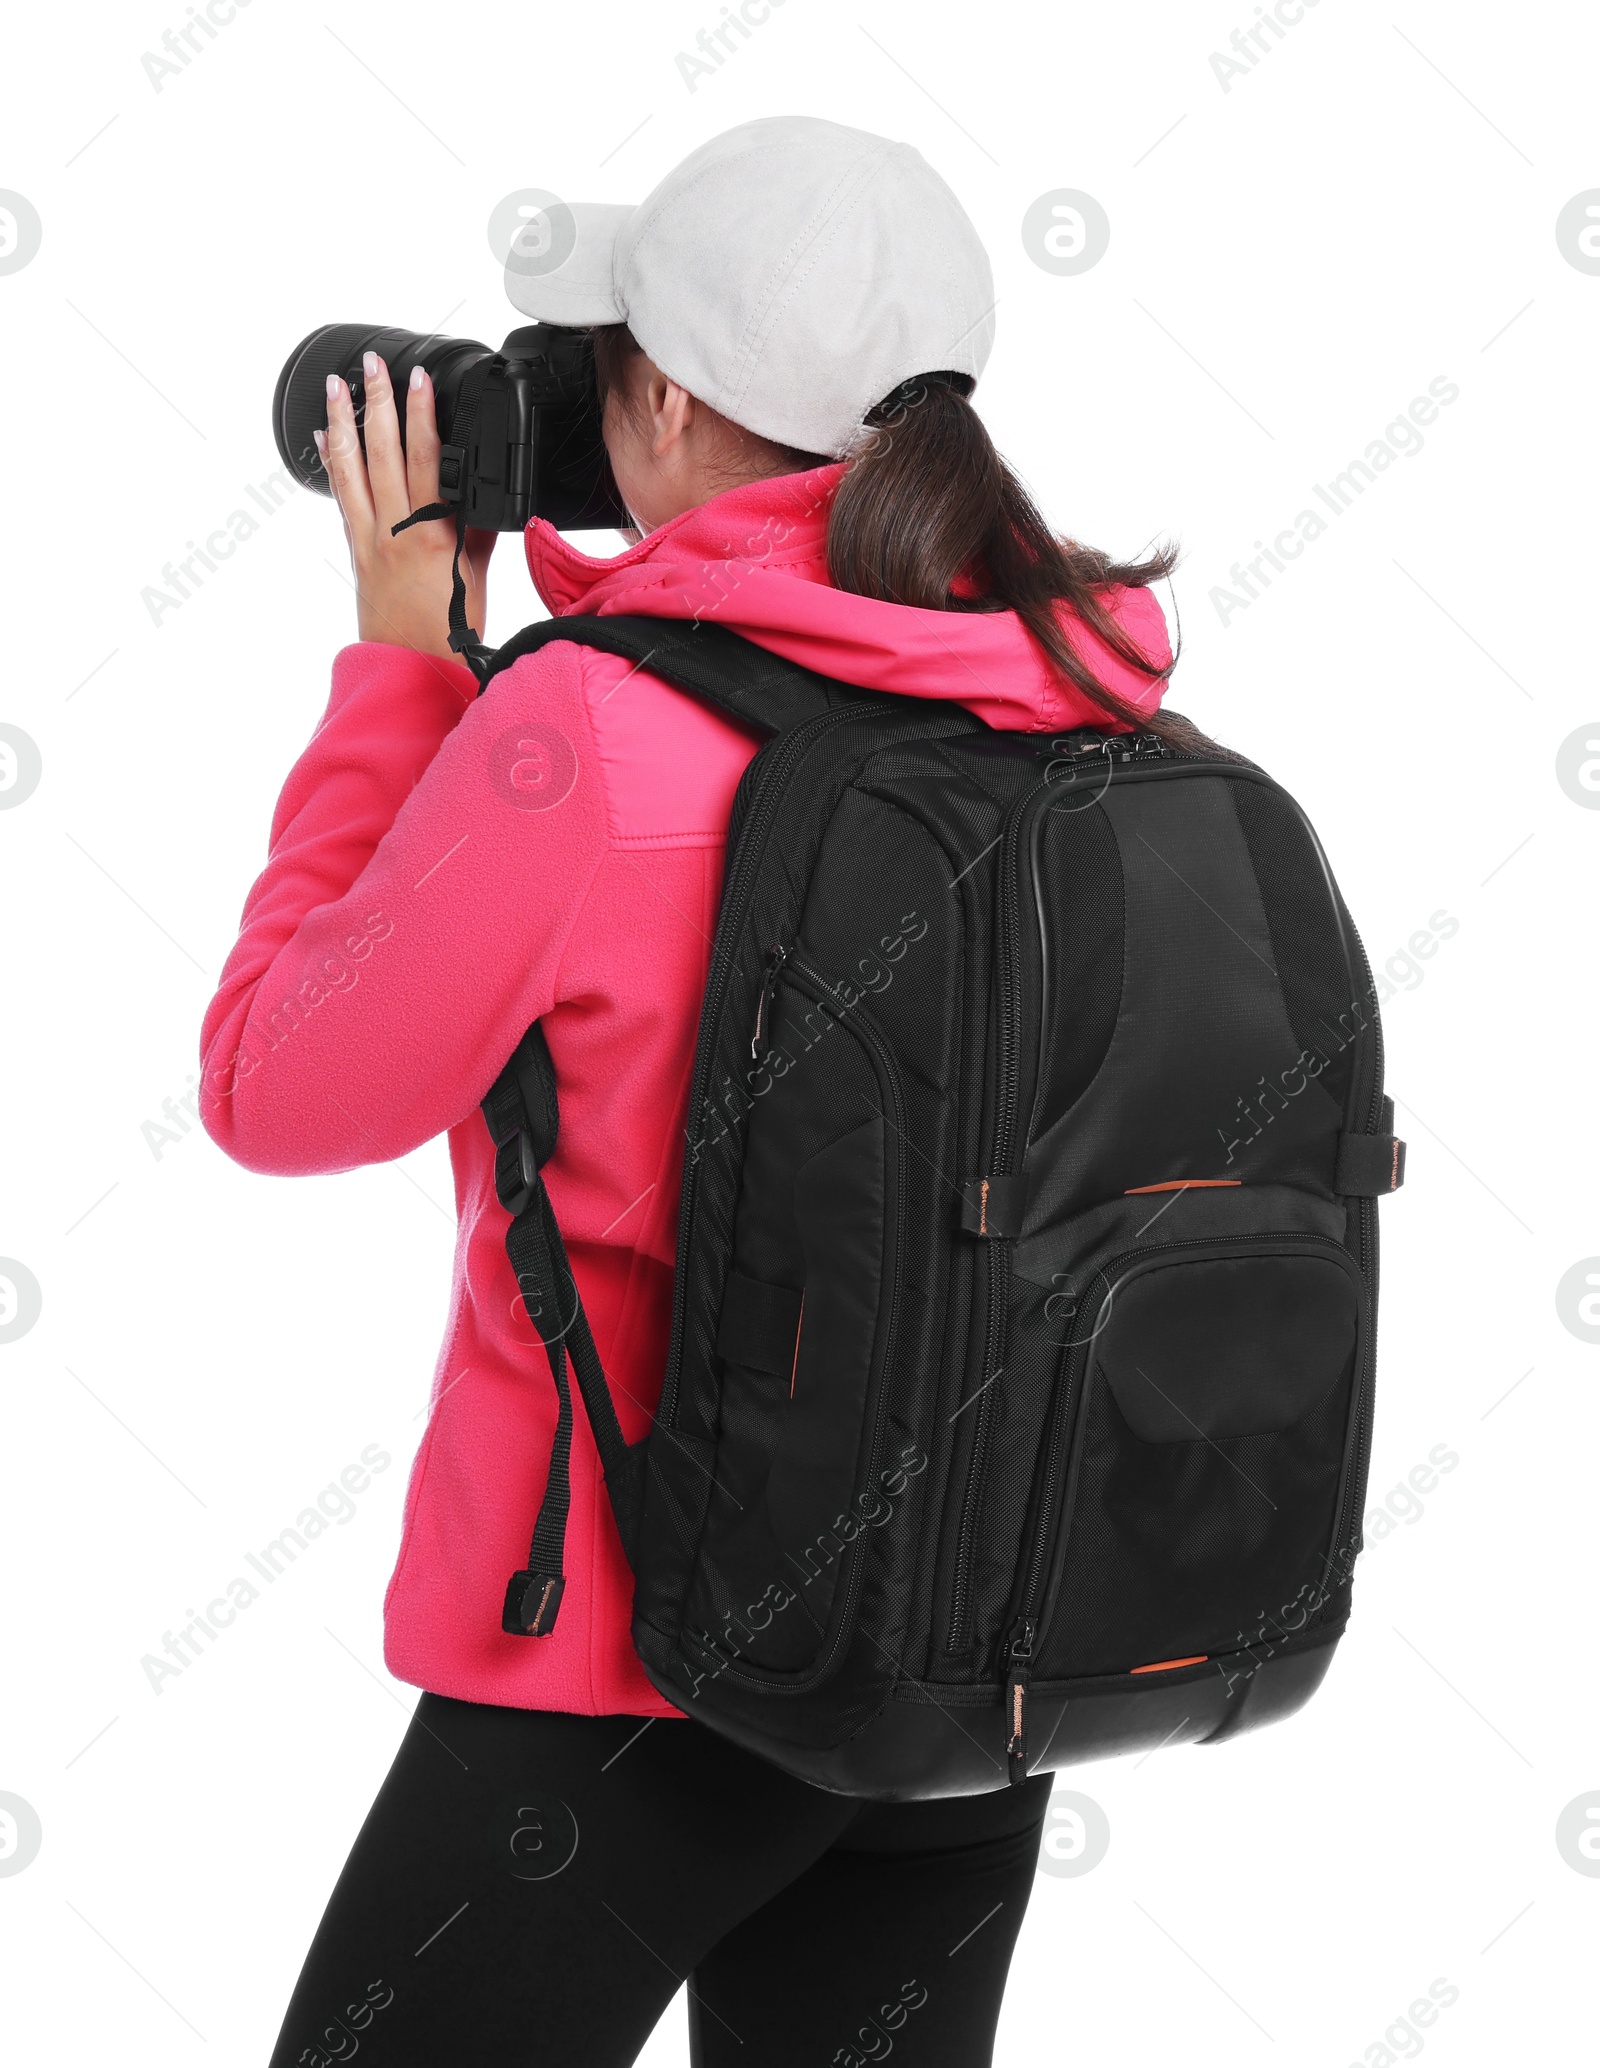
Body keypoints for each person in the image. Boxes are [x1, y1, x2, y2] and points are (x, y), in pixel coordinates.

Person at [203, 115, 1184, 2068]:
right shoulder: (1077, 686)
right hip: (978, 1653)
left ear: (649, 391)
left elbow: (277, 1085)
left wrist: (407, 661)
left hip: (633, 1661)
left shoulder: (591, 722)